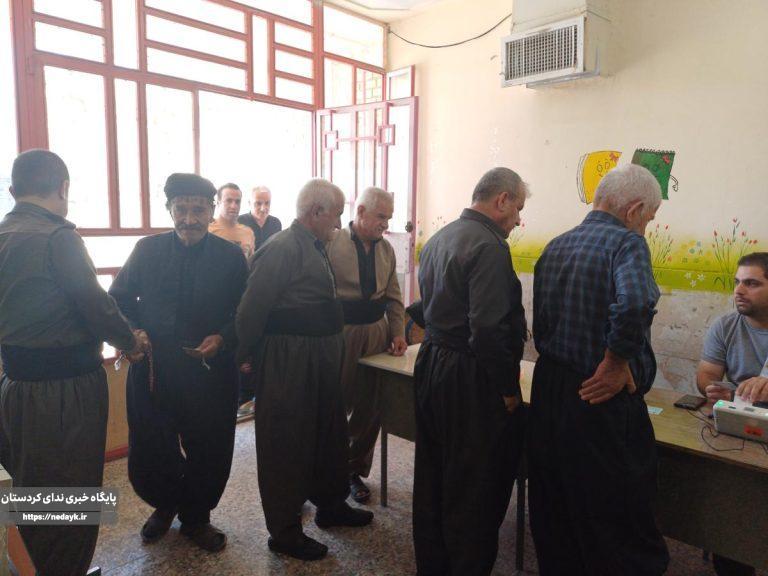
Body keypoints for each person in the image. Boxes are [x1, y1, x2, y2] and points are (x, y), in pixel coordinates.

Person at [0, 150, 143, 576]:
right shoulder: (58, 238)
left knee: (31, 486)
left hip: (14, 383)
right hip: (64, 391)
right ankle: (64, 569)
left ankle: (35, 567)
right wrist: (130, 341)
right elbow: (95, 305)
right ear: (63, 188)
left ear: (13, 190)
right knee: (71, 490)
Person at [529, 164, 669, 576]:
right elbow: (635, 303)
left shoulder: (556, 245)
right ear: (635, 209)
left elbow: (542, 322)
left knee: (555, 505)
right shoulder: (627, 244)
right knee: (614, 511)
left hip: (550, 390)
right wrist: (615, 362)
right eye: (649, 219)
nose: (645, 227)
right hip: (599, 395)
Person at [109, 173, 248, 553]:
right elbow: (118, 299)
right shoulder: (146, 250)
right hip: (155, 369)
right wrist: (132, 331)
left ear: (210, 211)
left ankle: (197, 517)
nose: (189, 219)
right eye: (181, 209)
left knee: (210, 447)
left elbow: (246, 309)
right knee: (153, 445)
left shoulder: (230, 256)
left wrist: (223, 337)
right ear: (169, 209)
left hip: (210, 372)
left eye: (198, 210)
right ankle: (165, 504)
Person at [236, 178, 373, 562]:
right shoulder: (281, 248)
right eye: (337, 214)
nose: (339, 223)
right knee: (287, 442)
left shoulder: (315, 244)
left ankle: (331, 506)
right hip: (290, 361)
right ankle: (284, 532)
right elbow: (251, 310)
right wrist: (245, 358)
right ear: (316, 212)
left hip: (321, 360)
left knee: (329, 434)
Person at [413, 167, 529, 576]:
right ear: (502, 200)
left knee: (434, 475)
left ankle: (433, 565)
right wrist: (507, 389)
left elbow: (427, 307)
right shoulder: (489, 246)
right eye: (518, 208)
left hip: (432, 363)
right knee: (475, 486)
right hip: (469, 375)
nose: (518, 220)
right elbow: (487, 330)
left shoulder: (441, 237)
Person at [327, 186, 407, 503]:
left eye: (389, 218)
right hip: (340, 332)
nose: (385, 224)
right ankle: (324, 471)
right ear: (360, 212)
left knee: (370, 406)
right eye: (381, 217)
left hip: (377, 333)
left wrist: (398, 332)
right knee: (334, 402)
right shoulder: (331, 242)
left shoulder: (386, 250)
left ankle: (354, 470)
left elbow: (394, 297)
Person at [696, 252, 768, 576]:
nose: (739, 290)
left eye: (751, 283)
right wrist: (716, 390)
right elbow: (706, 376)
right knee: (731, 516)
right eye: (737, 282)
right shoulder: (725, 325)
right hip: (738, 429)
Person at [209, 183, 255, 260]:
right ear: (218, 203)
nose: (233, 206)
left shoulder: (248, 233)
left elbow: (250, 263)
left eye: (237, 202)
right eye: (229, 201)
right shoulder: (208, 231)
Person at [238, 185, 282, 251]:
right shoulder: (239, 222)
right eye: (258, 203)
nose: (263, 209)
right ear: (249, 203)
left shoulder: (276, 223)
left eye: (267, 203)